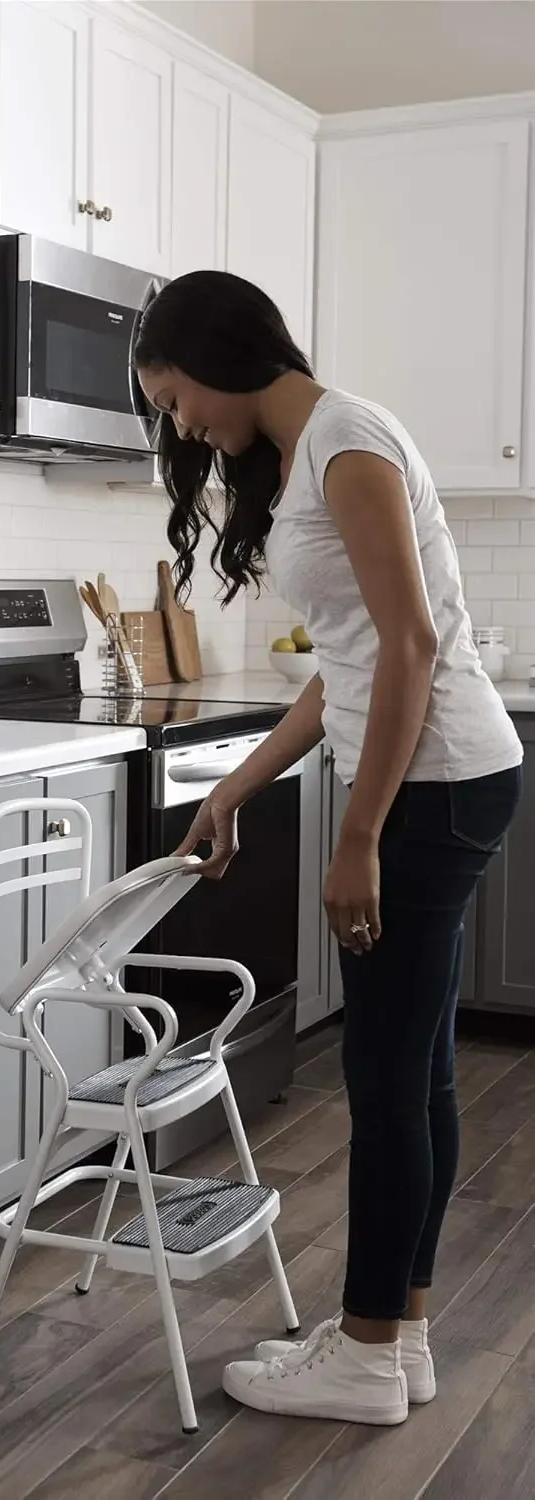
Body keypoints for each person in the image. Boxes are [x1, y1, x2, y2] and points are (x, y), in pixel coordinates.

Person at [134, 271, 523, 1427]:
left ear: (221, 352)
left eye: (176, 395)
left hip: (430, 785)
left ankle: (358, 1358)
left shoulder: (345, 444)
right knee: (418, 1078)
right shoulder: (321, 447)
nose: (181, 423)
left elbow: (405, 648)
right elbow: (347, 666)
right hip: (443, 777)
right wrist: (239, 788)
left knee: (385, 1086)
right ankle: (392, 1338)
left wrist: (355, 838)